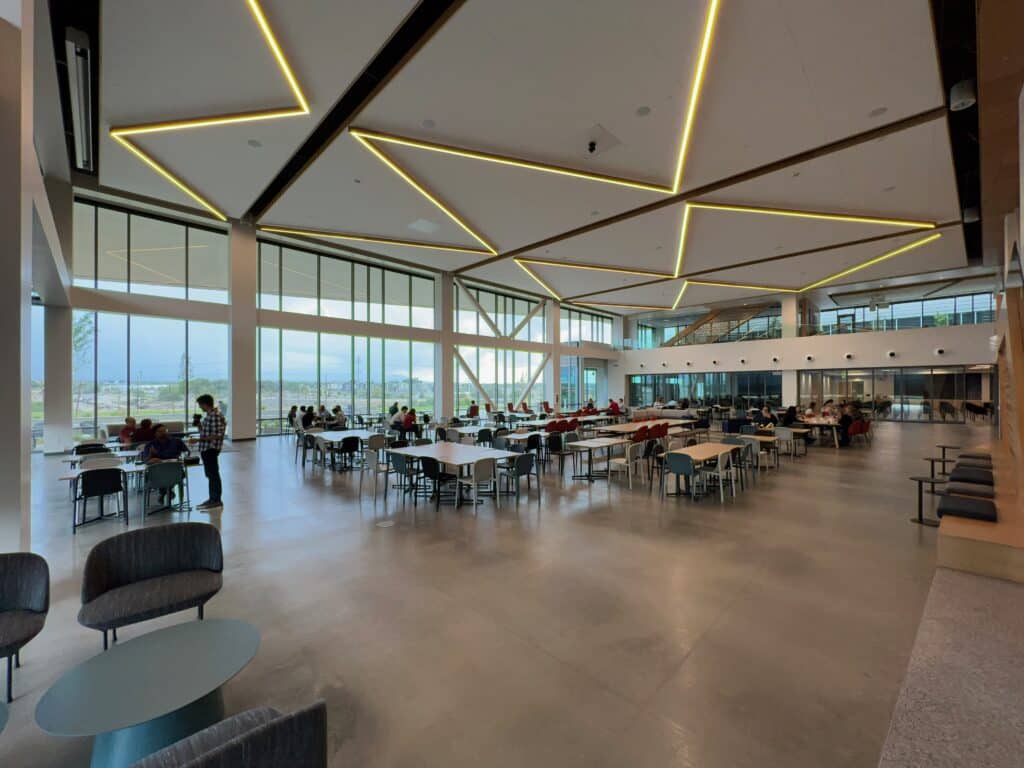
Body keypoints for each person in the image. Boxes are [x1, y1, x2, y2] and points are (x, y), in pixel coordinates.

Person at [189, 394, 226, 511]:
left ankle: (216, 500)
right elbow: (205, 432)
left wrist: (198, 439)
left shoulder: (214, 415)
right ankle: (212, 499)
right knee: (210, 475)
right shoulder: (209, 416)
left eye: (200, 405)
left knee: (213, 475)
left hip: (210, 449)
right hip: (206, 449)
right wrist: (199, 425)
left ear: (205, 404)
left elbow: (217, 435)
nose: (200, 408)